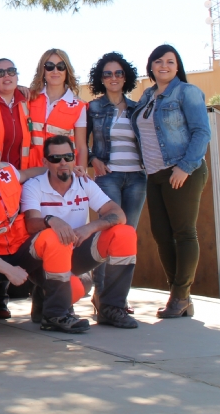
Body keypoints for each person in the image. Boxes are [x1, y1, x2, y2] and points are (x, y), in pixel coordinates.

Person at [0, 127, 88, 334]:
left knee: (57, 244)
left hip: (20, 250)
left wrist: (63, 168)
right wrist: (8, 270)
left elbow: (29, 173)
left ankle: (56, 315)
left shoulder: (6, 171)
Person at [21, 135, 139, 329]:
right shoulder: (34, 185)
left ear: (74, 158)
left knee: (124, 234)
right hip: (44, 260)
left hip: (75, 250)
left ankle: (111, 308)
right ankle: (52, 310)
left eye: (67, 157)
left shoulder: (83, 183)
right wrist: (52, 221)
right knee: (75, 288)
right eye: (55, 159)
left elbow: (118, 214)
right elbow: (31, 224)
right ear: (45, 162)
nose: (62, 163)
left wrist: (89, 227)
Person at [131, 45, 211, 319]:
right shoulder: (148, 95)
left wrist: (185, 167)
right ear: (150, 66)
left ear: (177, 67)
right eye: (158, 61)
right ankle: (179, 295)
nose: (164, 66)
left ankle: (180, 297)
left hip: (182, 171)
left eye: (170, 61)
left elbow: (202, 132)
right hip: (153, 174)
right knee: (162, 235)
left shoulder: (187, 92)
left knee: (184, 232)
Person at [86, 52, 145, 312]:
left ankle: (118, 298)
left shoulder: (137, 108)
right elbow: (79, 142)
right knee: (107, 233)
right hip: (107, 176)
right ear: (101, 79)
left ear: (126, 77)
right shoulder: (93, 108)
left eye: (118, 73)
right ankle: (101, 295)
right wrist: (91, 158)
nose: (113, 77)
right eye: (108, 73)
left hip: (136, 178)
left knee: (127, 235)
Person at [28, 49, 88, 168]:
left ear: (67, 70)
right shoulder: (29, 98)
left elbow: (81, 147)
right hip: (30, 172)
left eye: (61, 66)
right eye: (49, 66)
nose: (55, 71)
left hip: (61, 174)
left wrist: (81, 179)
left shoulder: (78, 106)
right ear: (43, 70)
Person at [0, 59, 33, 170]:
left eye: (11, 71)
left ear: (17, 76)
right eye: (0, 73)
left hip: (21, 175)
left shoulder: (27, 99)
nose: (6, 75)